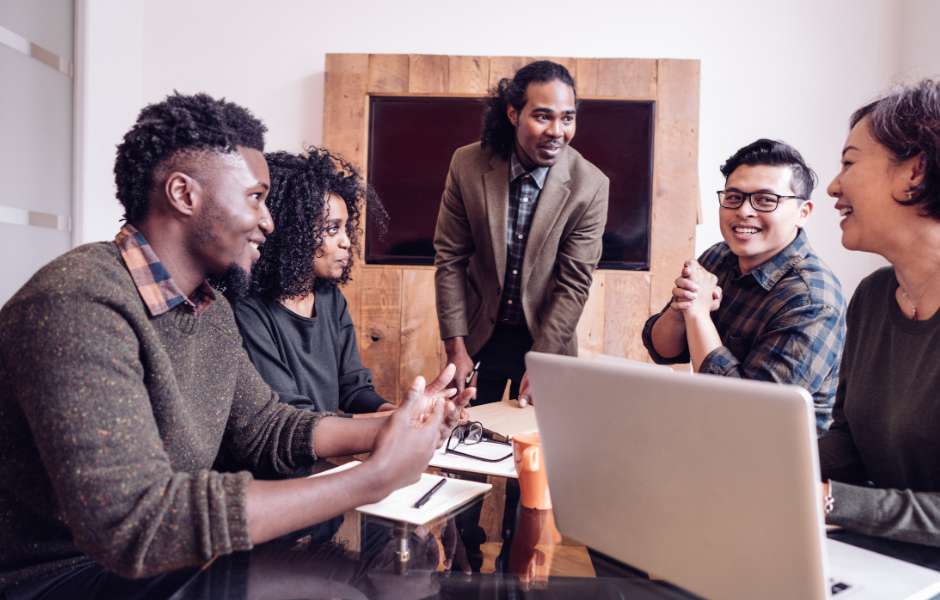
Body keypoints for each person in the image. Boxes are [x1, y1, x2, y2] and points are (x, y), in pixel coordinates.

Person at [0, 92, 471, 598]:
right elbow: (136, 522)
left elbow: (266, 427)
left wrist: (394, 426)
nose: (269, 221)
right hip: (59, 579)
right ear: (184, 194)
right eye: (255, 197)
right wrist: (371, 480)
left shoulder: (209, 309)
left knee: (380, 571)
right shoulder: (77, 304)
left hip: (165, 562)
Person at [434, 60, 609, 406]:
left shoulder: (591, 186)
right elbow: (450, 259)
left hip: (546, 339)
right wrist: (456, 347)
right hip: (476, 337)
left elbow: (574, 283)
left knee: (535, 452)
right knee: (462, 443)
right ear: (514, 113)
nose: (557, 130)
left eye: (567, 117)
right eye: (543, 116)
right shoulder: (466, 165)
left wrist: (542, 360)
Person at [642, 139, 845, 435]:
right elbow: (662, 350)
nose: (744, 211)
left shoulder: (813, 300)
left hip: (773, 462)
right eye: (734, 197)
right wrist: (680, 309)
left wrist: (698, 315)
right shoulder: (718, 256)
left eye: (765, 200)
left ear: (803, 212)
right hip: (706, 435)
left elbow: (746, 418)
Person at [819, 79, 940, 545]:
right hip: (883, 563)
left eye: (849, 163)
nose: (834, 185)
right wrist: (769, 469)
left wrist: (829, 499)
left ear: (915, 171)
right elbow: (851, 440)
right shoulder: (871, 296)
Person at [233, 148, 395, 417]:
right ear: (292, 231)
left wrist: (409, 413)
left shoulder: (331, 298)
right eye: (332, 229)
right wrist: (395, 422)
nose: (346, 241)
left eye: (346, 228)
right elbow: (293, 418)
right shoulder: (248, 312)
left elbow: (354, 390)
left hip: (330, 456)